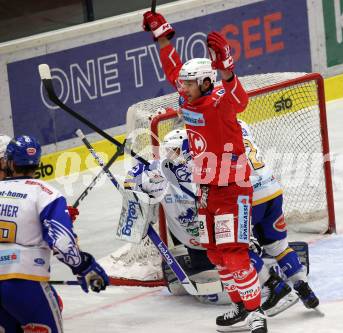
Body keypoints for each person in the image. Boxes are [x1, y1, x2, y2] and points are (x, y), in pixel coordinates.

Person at [143, 11, 266, 333]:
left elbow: (241, 101)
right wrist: (163, 38)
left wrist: (228, 70)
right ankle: (240, 306)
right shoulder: (189, 100)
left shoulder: (220, 102)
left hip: (232, 187)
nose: (180, 88)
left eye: (187, 83)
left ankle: (256, 313)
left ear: (206, 82)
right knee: (214, 253)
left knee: (234, 253)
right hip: (207, 189)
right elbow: (173, 70)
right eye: (182, 83)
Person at [124, 129, 294, 314]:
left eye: (175, 150)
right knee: (218, 271)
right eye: (168, 150)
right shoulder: (165, 169)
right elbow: (135, 175)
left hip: (222, 230)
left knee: (235, 257)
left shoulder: (205, 165)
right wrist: (134, 180)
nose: (170, 155)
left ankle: (266, 287)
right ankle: (255, 293)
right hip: (198, 245)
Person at [0, 135, 109, 332]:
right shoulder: (46, 193)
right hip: (25, 283)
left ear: (9, 162)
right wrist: (83, 266)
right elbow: (63, 243)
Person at [238, 120, 319, 311]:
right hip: (271, 189)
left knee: (235, 249)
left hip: (247, 197)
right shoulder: (241, 123)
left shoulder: (214, 129)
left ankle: (275, 286)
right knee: (278, 246)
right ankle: (304, 288)